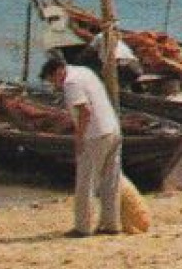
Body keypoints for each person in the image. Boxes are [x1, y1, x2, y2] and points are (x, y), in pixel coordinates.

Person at [40, 55, 122, 236]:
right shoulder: (84, 71)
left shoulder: (70, 83)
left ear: (59, 71)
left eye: (52, 80)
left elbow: (84, 111)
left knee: (86, 180)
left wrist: (79, 138)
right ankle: (111, 224)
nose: (55, 85)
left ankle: (83, 227)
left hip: (95, 133)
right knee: (110, 179)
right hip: (112, 128)